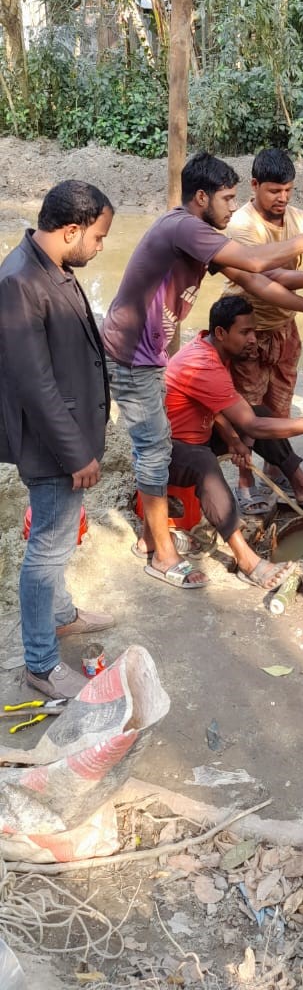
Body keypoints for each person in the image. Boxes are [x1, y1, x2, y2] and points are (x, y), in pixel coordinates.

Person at [103, 151, 303, 589]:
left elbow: (255, 281)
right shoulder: (184, 227)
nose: (232, 208)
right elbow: (255, 263)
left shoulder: (195, 235)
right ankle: (160, 553)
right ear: (201, 197)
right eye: (228, 198)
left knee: (169, 447)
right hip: (130, 359)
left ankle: (152, 537)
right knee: (156, 453)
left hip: (149, 358)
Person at [0, 182, 115, 699]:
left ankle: (63, 614)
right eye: (97, 237)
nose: (100, 246)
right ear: (71, 230)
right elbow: (33, 382)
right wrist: (76, 453)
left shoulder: (54, 269)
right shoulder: (19, 282)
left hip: (69, 435)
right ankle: (41, 664)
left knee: (59, 533)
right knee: (47, 549)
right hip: (54, 446)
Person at [161, 295, 303, 589]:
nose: (253, 339)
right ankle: (246, 560)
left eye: (254, 330)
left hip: (199, 435)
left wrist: (233, 439)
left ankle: (302, 486)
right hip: (171, 450)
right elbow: (252, 425)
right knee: (207, 462)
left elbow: (214, 408)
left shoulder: (215, 351)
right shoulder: (202, 363)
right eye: (245, 332)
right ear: (222, 333)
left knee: (260, 411)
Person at [224, 148, 303, 513]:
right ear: (254, 186)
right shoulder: (242, 225)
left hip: (285, 328)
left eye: (288, 190)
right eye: (274, 191)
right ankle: (245, 483)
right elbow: (265, 277)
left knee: (280, 407)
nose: (282, 198)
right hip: (248, 333)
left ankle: (279, 472)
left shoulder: (298, 218)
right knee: (247, 412)